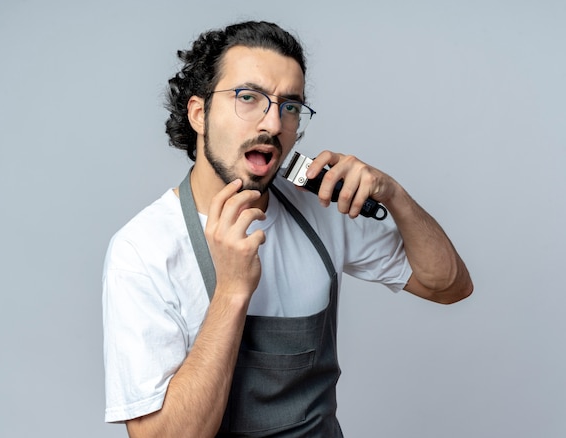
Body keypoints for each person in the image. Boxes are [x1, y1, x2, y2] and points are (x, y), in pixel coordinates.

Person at [102, 20, 473, 437]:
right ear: (199, 114)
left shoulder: (320, 207)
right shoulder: (142, 250)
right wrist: (232, 291)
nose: (274, 124)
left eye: (289, 106)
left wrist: (396, 195)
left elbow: (449, 285)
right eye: (248, 98)